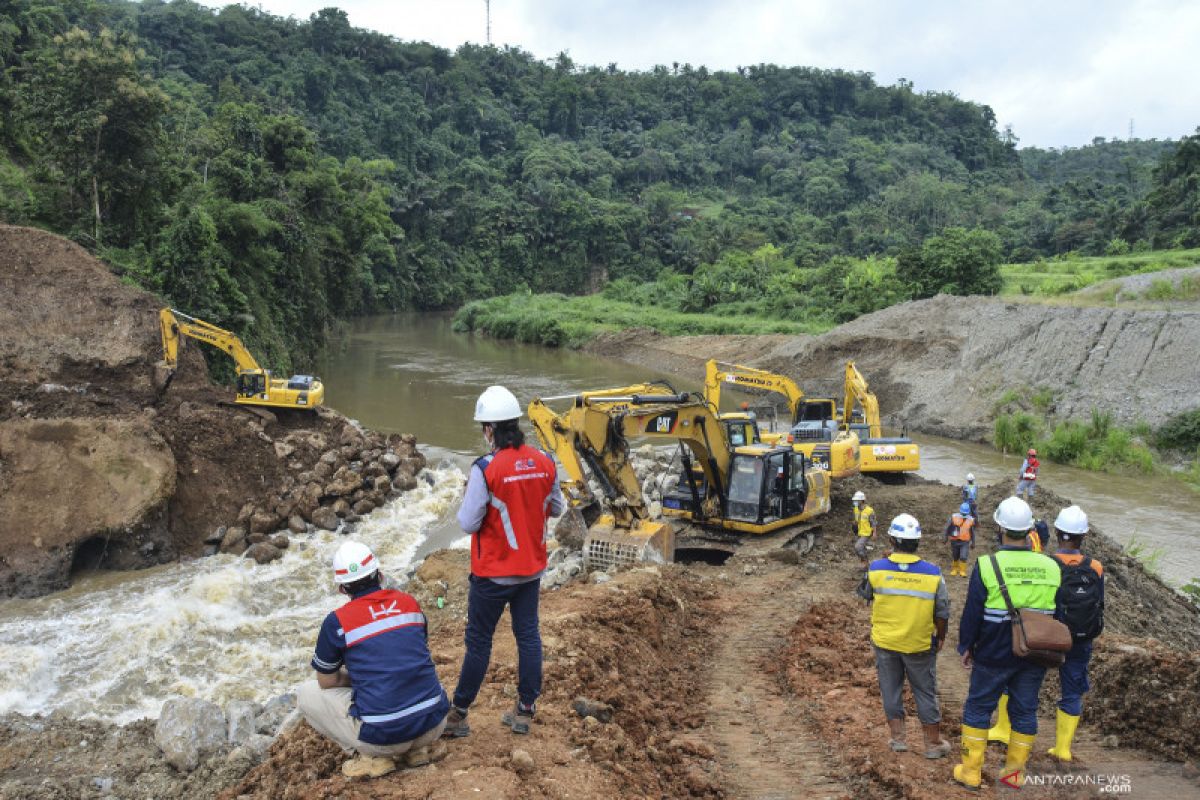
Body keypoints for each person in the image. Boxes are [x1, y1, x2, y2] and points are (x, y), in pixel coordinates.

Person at [443, 385, 565, 738]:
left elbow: (467, 523)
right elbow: (556, 507)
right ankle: (525, 710)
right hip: (531, 571)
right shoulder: (544, 461)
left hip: (492, 574)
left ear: (489, 429)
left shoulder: (486, 469)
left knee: (479, 642)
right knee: (528, 636)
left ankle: (459, 714)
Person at [298, 542, 450, 779]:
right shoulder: (408, 602)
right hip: (434, 725)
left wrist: (362, 678)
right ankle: (417, 751)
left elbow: (327, 681)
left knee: (306, 693)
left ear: (342, 589)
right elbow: (415, 651)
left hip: (384, 739)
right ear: (380, 574)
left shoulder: (337, 623)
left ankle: (373, 757)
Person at [954, 496, 1063, 790]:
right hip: (1035, 650)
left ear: (1000, 528)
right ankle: (1013, 774)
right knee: (1025, 711)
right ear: (1029, 531)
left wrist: (966, 646)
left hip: (993, 650)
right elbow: (1060, 614)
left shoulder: (987, 565)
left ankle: (971, 772)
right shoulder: (1051, 566)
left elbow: (973, 611)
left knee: (978, 707)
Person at [857, 513, 952, 759]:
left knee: (890, 688)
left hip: (886, 641)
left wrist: (881, 565)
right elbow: (942, 611)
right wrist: (940, 636)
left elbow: (865, 593)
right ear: (918, 542)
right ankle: (932, 744)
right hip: (919, 643)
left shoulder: (877, 568)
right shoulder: (933, 573)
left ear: (891, 539)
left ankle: (898, 739)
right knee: (925, 691)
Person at [1047, 505, 1104, 761]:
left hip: (1049, 637)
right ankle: (1063, 749)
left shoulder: (1048, 564)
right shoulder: (1096, 567)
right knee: (1072, 692)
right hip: (1081, 639)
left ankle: (1012, 737)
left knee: (1027, 683)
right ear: (1084, 536)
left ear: (1057, 532)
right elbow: (1099, 602)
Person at [943, 502, 975, 577]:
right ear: (960, 511)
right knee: (955, 556)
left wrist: (973, 542)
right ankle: (955, 569)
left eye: (965, 513)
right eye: (963, 513)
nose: (964, 515)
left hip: (965, 542)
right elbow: (947, 528)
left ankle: (962, 571)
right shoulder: (953, 517)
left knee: (963, 556)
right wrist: (945, 538)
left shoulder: (971, 519)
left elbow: (972, 532)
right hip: (954, 541)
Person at [852, 490, 876, 566]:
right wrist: (855, 523)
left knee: (858, 547)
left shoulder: (869, 511)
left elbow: (873, 522)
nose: (855, 502)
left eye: (857, 500)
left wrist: (874, 533)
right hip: (859, 532)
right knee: (862, 548)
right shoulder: (856, 509)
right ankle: (865, 562)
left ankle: (865, 561)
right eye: (855, 500)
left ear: (862, 501)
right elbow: (857, 519)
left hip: (866, 533)